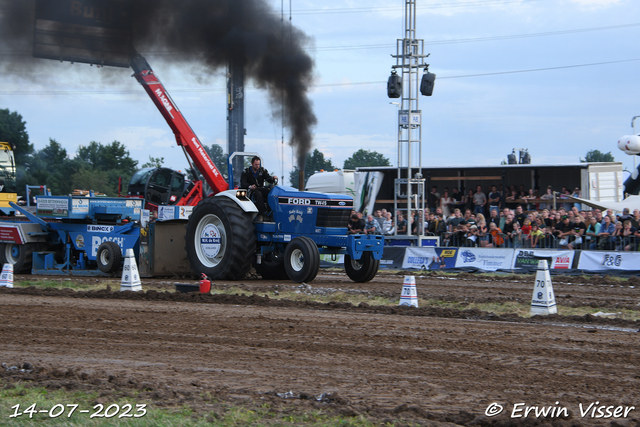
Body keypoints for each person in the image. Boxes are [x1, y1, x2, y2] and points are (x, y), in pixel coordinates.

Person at [240, 156, 277, 221]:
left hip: (260, 188)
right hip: (250, 190)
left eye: (258, 164)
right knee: (259, 194)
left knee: (270, 193)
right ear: (252, 164)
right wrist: (250, 186)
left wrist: (272, 178)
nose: (257, 166)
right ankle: (261, 213)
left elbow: (268, 179)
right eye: (256, 164)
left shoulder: (262, 171)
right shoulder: (246, 172)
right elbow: (243, 183)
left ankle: (270, 211)